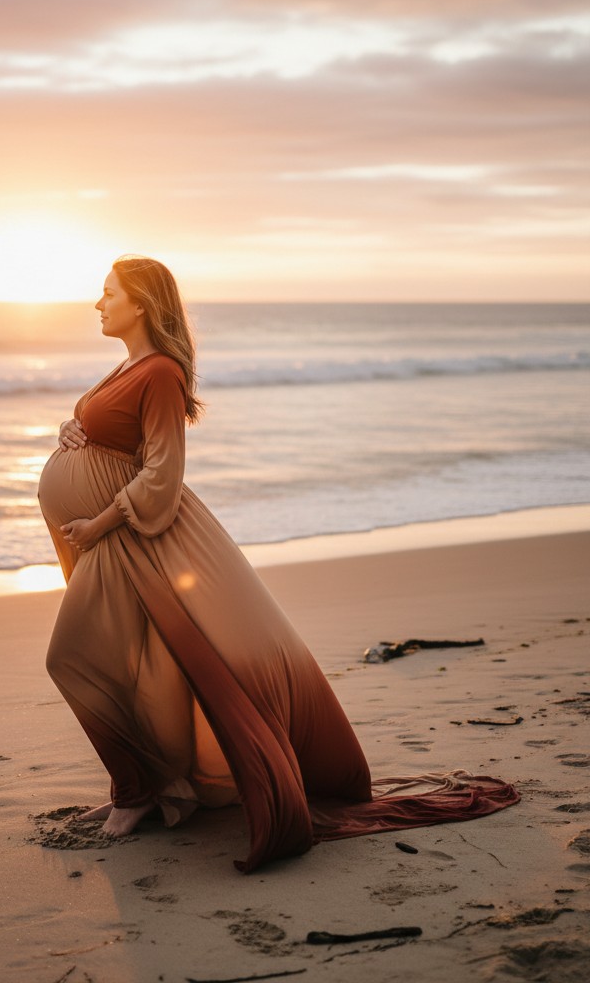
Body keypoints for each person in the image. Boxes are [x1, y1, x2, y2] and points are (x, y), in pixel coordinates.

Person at [37, 255, 518, 872]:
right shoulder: (127, 366)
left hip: (132, 539)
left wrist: (100, 521)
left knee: (74, 657)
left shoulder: (158, 371)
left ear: (141, 304)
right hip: (114, 538)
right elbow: (109, 430)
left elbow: (163, 471)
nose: (97, 304)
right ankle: (159, 790)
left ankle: (135, 793)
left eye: (108, 294)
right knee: (143, 666)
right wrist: (71, 426)